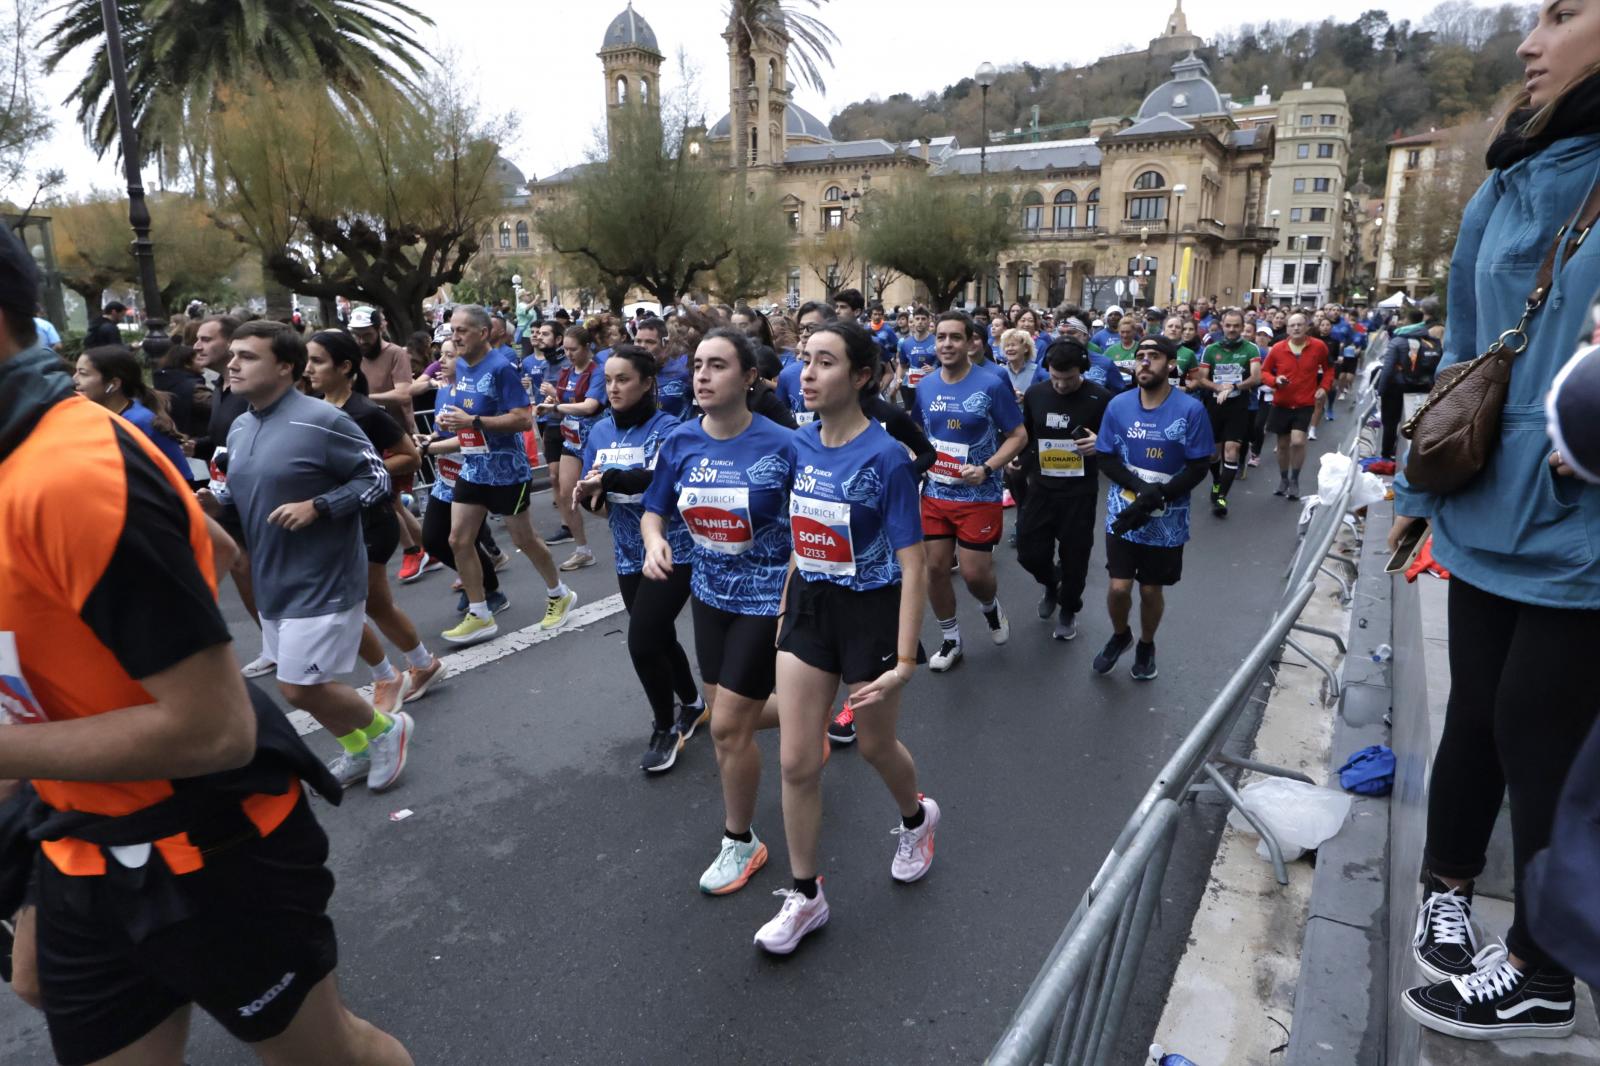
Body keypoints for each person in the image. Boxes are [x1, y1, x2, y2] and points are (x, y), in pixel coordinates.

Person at [0, 228, 414, 1066]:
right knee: (36, 981)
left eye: (245, 354)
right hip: (77, 835)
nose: (227, 365)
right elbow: (221, 545)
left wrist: (315, 525)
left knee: (329, 1056)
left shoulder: (68, 477)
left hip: (212, 844)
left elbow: (215, 730)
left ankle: (387, 719)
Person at [1393, 10, 1600, 1040]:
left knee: (1540, 730)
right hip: (1483, 502)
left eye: (1562, 13)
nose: (1530, 39)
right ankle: (1446, 893)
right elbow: (1461, 354)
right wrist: (1415, 493)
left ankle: (1541, 964)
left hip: (1583, 524)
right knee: (1472, 715)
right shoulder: (1502, 182)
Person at [757, 318, 937, 955]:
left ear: (861, 377)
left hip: (871, 615)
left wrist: (908, 660)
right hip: (809, 609)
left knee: (873, 748)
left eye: (825, 362)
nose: (806, 373)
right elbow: (799, 538)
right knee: (796, 760)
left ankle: (917, 818)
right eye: (805, 360)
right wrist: (785, 608)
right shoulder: (799, 446)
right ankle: (806, 895)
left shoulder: (886, 456)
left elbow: (914, 562)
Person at [198, 319, 416, 792]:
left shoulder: (323, 420)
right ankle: (361, 749)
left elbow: (377, 480)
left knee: (298, 687)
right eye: (232, 354)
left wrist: (318, 506)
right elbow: (243, 496)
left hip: (324, 576)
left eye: (247, 356)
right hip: (273, 579)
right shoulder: (239, 426)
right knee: (300, 687)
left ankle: (388, 731)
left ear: (285, 367)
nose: (232, 364)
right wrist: (212, 503)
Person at [642, 328, 794, 897]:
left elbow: (809, 524)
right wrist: (656, 541)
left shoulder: (784, 444)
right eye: (698, 366)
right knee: (733, 713)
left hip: (765, 597)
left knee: (728, 728)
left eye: (718, 366)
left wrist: (790, 600)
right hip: (709, 596)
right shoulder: (681, 441)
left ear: (749, 377)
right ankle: (809, 713)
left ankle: (741, 840)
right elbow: (655, 511)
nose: (702, 376)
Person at [304, 331, 447, 739]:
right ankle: (421, 664)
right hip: (337, 521)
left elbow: (410, 455)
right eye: (308, 360)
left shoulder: (363, 411)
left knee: (350, 606)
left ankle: (387, 676)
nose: (309, 369)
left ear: (345, 367)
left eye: (317, 361)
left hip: (370, 519)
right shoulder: (314, 408)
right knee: (378, 606)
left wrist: (360, 479)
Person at [575, 345, 705, 773]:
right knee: (659, 635)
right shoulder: (598, 431)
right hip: (628, 550)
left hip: (674, 548)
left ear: (648, 383)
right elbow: (596, 490)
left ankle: (666, 727)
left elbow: (664, 482)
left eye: (623, 379)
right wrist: (589, 493)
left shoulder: (671, 430)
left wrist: (613, 479)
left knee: (642, 640)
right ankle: (692, 701)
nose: (612, 388)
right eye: (608, 380)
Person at [419, 306, 575, 643]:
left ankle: (559, 593)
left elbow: (522, 418)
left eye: (462, 330)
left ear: (483, 333)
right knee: (458, 539)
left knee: (524, 539)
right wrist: (448, 427)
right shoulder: (460, 366)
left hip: (507, 470)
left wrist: (474, 422)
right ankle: (480, 613)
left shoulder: (501, 368)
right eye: (452, 329)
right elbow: (467, 411)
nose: (454, 336)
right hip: (474, 467)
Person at [1091, 335, 1214, 680]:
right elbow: (1106, 456)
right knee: (1118, 587)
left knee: (1149, 589)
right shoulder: (1119, 405)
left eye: (1154, 356)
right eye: (1140, 356)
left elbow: (1199, 466)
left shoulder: (1191, 410)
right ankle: (1120, 636)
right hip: (1124, 513)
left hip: (1167, 518)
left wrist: (1160, 494)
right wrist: (1141, 488)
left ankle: (1146, 643)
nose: (1144, 362)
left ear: (1171, 365)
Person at [911, 311, 1028, 672]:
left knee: (976, 574)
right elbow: (916, 432)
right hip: (935, 493)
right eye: (941, 337)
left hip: (979, 495)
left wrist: (987, 468)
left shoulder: (992, 384)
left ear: (971, 343)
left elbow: (1018, 436)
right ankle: (951, 639)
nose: (947, 344)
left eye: (955, 338)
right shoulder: (926, 385)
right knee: (936, 569)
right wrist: (915, 459)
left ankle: (991, 608)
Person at [1016, 340, 1111, 642]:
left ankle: (1069, 608)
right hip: (1041, 487)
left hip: (1079, 492)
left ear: (1081, 371)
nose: (1060, 384)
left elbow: (1118, 441)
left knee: (1075, 556)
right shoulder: (1036, 394)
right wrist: (1020, 459)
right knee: (1028, 552)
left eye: (1068, 378)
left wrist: (1101, 444)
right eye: (1055, 377)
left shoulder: (1101, 398)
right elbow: (1027, 436)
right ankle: (1052, 584)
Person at [1180, 309, 1263, 517]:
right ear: (1222, 326)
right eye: (1229, 325)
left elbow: (1256, 378)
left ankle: (1221, 497)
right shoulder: (1211, 349)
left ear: (1243, 327)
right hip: (1215, 406)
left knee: (1232, 449)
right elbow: (1202, 378)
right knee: (1212, 454)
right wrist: (1218, 388)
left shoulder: (1251, 348)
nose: (1232, 329)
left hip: (1239, 405)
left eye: (1237, 326)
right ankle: (1217, 481)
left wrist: (1233, 387)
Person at [538, 325, 606, 570]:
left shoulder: (597, 372)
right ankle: (583, 550)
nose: (568, 354)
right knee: (566, 494)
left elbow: (589, 406)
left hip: (597, 441)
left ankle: (633, 527)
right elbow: (563, 399)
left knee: (605, 496)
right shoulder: (566, 372)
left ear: (587, 347)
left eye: (573, 349)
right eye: (565, 349)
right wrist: (551, 400)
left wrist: (556, 408)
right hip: (572, 440)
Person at [73, 345, 190, 475]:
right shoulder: (101, 415)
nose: (74, 379)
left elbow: (180, 475)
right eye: (76, 372)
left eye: (83, 374)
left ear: (114, 384)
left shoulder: (140, 422)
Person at [1258, 312, 1333, 499]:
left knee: (1298, 441)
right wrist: (1275, 381)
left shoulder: (1318, 346)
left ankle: (1295, 479)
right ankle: (1284, 479)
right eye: (1292, 325)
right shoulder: (1277, 348)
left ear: (1307, 327)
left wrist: (1324, 387)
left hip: (1304, 403)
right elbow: (1264, 372)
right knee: (1282, 445)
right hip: (1282, 403)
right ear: (1287, 328)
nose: (1296, 328)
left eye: (1300, 324)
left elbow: (1330, 369)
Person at [1377, 301, 1442, 461]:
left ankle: (1387, 454)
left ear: (1407, 321)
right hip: (1421, 388)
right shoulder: (1430, 340)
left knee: (1390, 422)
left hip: (1395, 388)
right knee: (1415, 422)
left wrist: (1380, 390)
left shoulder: (1398, 340)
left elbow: (1388, 369)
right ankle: (1412, 456)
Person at [896, 305, 938, 406]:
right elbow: (902, 365)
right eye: (917, 319)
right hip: (910, 387)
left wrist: (935, 370)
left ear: (928, 321)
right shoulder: (905, 343)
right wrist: (898, 380)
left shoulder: (937, 341)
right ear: (913, 321)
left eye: (923, 319)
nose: (920, 322)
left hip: (931, 387)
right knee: (910, 416)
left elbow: (946, 366)